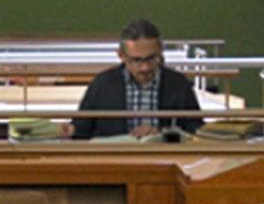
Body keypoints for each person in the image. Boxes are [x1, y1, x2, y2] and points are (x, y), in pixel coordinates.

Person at [67, 18, 205, 139]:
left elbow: (196, 129)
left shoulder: (179, 84)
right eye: (136, 60)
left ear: (161, 51)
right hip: (116, 161)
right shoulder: (102, 84)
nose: (145, 68)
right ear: (121, 55)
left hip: (165, 159)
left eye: (151, 58)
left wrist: (163, 134)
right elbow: (81, 129)